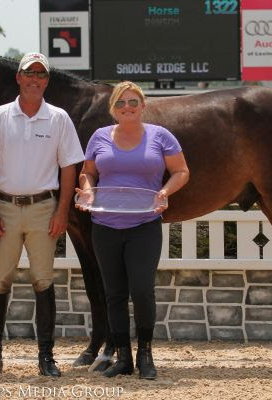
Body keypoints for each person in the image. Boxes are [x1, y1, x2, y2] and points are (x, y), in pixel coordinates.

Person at [0, 52, 84, 376]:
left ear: (46, 81)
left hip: (43, 209)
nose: (35, 79)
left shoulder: (59, 118)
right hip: (5, 209)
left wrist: (62, 211)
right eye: (29, 73)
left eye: (41, 74)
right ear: (18, 78)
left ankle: (46, 358)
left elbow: (69, 168)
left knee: (43, 280)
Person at [77, 81, 189, 379]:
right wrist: (87, 192)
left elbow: (181, 171)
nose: (127, 107)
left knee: (141, 291)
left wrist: (164, 192)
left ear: (143, 105)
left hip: (144, 225)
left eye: (133, 102)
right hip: (104, 226)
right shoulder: (99, 136)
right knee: (114, 294)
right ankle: (123, 357)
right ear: (112, 108)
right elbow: (87, 173)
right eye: (120, 103)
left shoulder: (160, 136)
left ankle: (146, 355)